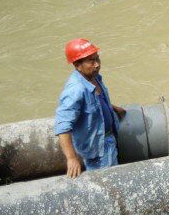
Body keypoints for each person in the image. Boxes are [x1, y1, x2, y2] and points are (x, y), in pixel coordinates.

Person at [54, 39, 126, 178]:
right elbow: (62, 126)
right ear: (77, 65)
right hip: (98, 150)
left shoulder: (94, 77)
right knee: (108, 182)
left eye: (97, 58)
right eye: (91, 61)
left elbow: (93, 103)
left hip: (110, 140)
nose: (97, 64)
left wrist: (112, 108)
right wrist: (71, 158)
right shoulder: (76, 90)